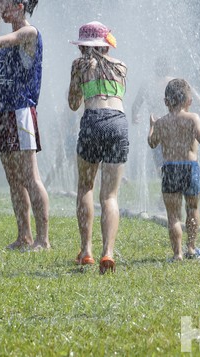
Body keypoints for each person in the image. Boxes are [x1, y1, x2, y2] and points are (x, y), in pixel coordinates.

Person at [0, 0, 50, 251]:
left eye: (5, 4)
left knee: (30, 177)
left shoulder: (28, 32)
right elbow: (7, 78)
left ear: (19, 7)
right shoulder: (13, 37)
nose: (0, 9)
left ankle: (43, 240)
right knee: (13, 178)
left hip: (21, 111)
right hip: (3, 109)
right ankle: (24, 236)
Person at [148, 78, 200, 261]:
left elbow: (152, 143)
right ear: (189, 101)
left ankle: (177, 253)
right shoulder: (192, 118)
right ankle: (192, 249)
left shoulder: (162, 122)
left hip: (170, 169)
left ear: (166, 101)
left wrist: (151, 127)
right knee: (192, 208)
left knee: (173, 215)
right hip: (190, 168)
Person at [67, 21, 128, 274]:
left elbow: (73, 103)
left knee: (85, 187)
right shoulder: (122, 66)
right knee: (110, 195)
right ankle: (108, 253)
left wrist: (78, 86)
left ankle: (86, 251)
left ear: (83, 46)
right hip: (118, 123)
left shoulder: (79, 66)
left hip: (93, 122)